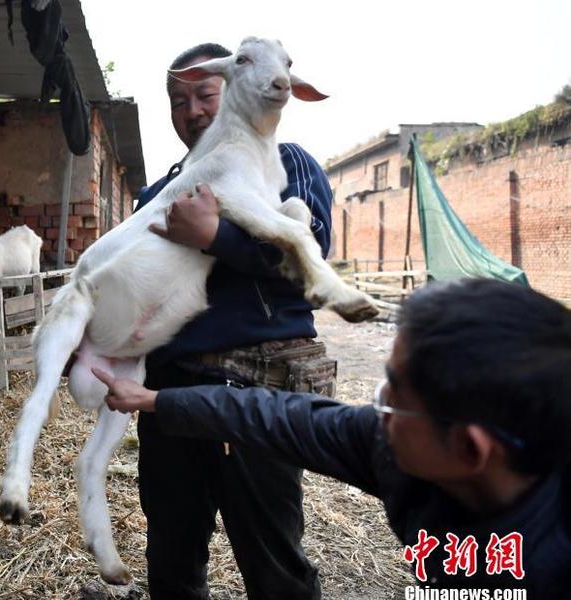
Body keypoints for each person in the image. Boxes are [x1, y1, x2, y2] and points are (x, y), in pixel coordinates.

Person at [94, 278, 571, 598]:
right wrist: (156, 401)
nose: (376, 403)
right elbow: (280, 416)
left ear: (469, 448)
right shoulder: (396, 447)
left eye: (395, 394)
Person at [133, 42, 334, 599]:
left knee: (273, 564)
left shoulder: (286, 162)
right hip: (168, 402)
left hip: (256, 393)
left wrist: (214, 238)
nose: (192, 111)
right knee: (171, 560)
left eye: (204, 95)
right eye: (178, 101)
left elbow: (309, 261)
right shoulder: (160, 193)